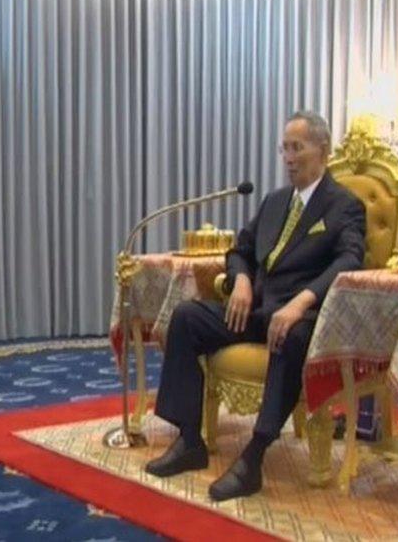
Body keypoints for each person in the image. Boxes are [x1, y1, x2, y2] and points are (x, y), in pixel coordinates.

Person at [145, 111, 366, 501]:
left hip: (302, 316)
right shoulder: (274, 201)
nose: (289, 157)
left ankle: (254, 456)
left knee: (289, 334)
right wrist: (242, 280)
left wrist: (300, 302)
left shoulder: (344, 205)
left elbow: (349, 261)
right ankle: (190, 439)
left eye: (297, 147)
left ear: (324, 151)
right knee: (186, 316)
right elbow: (240, 250)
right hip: (256, 310)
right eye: (285, 148)